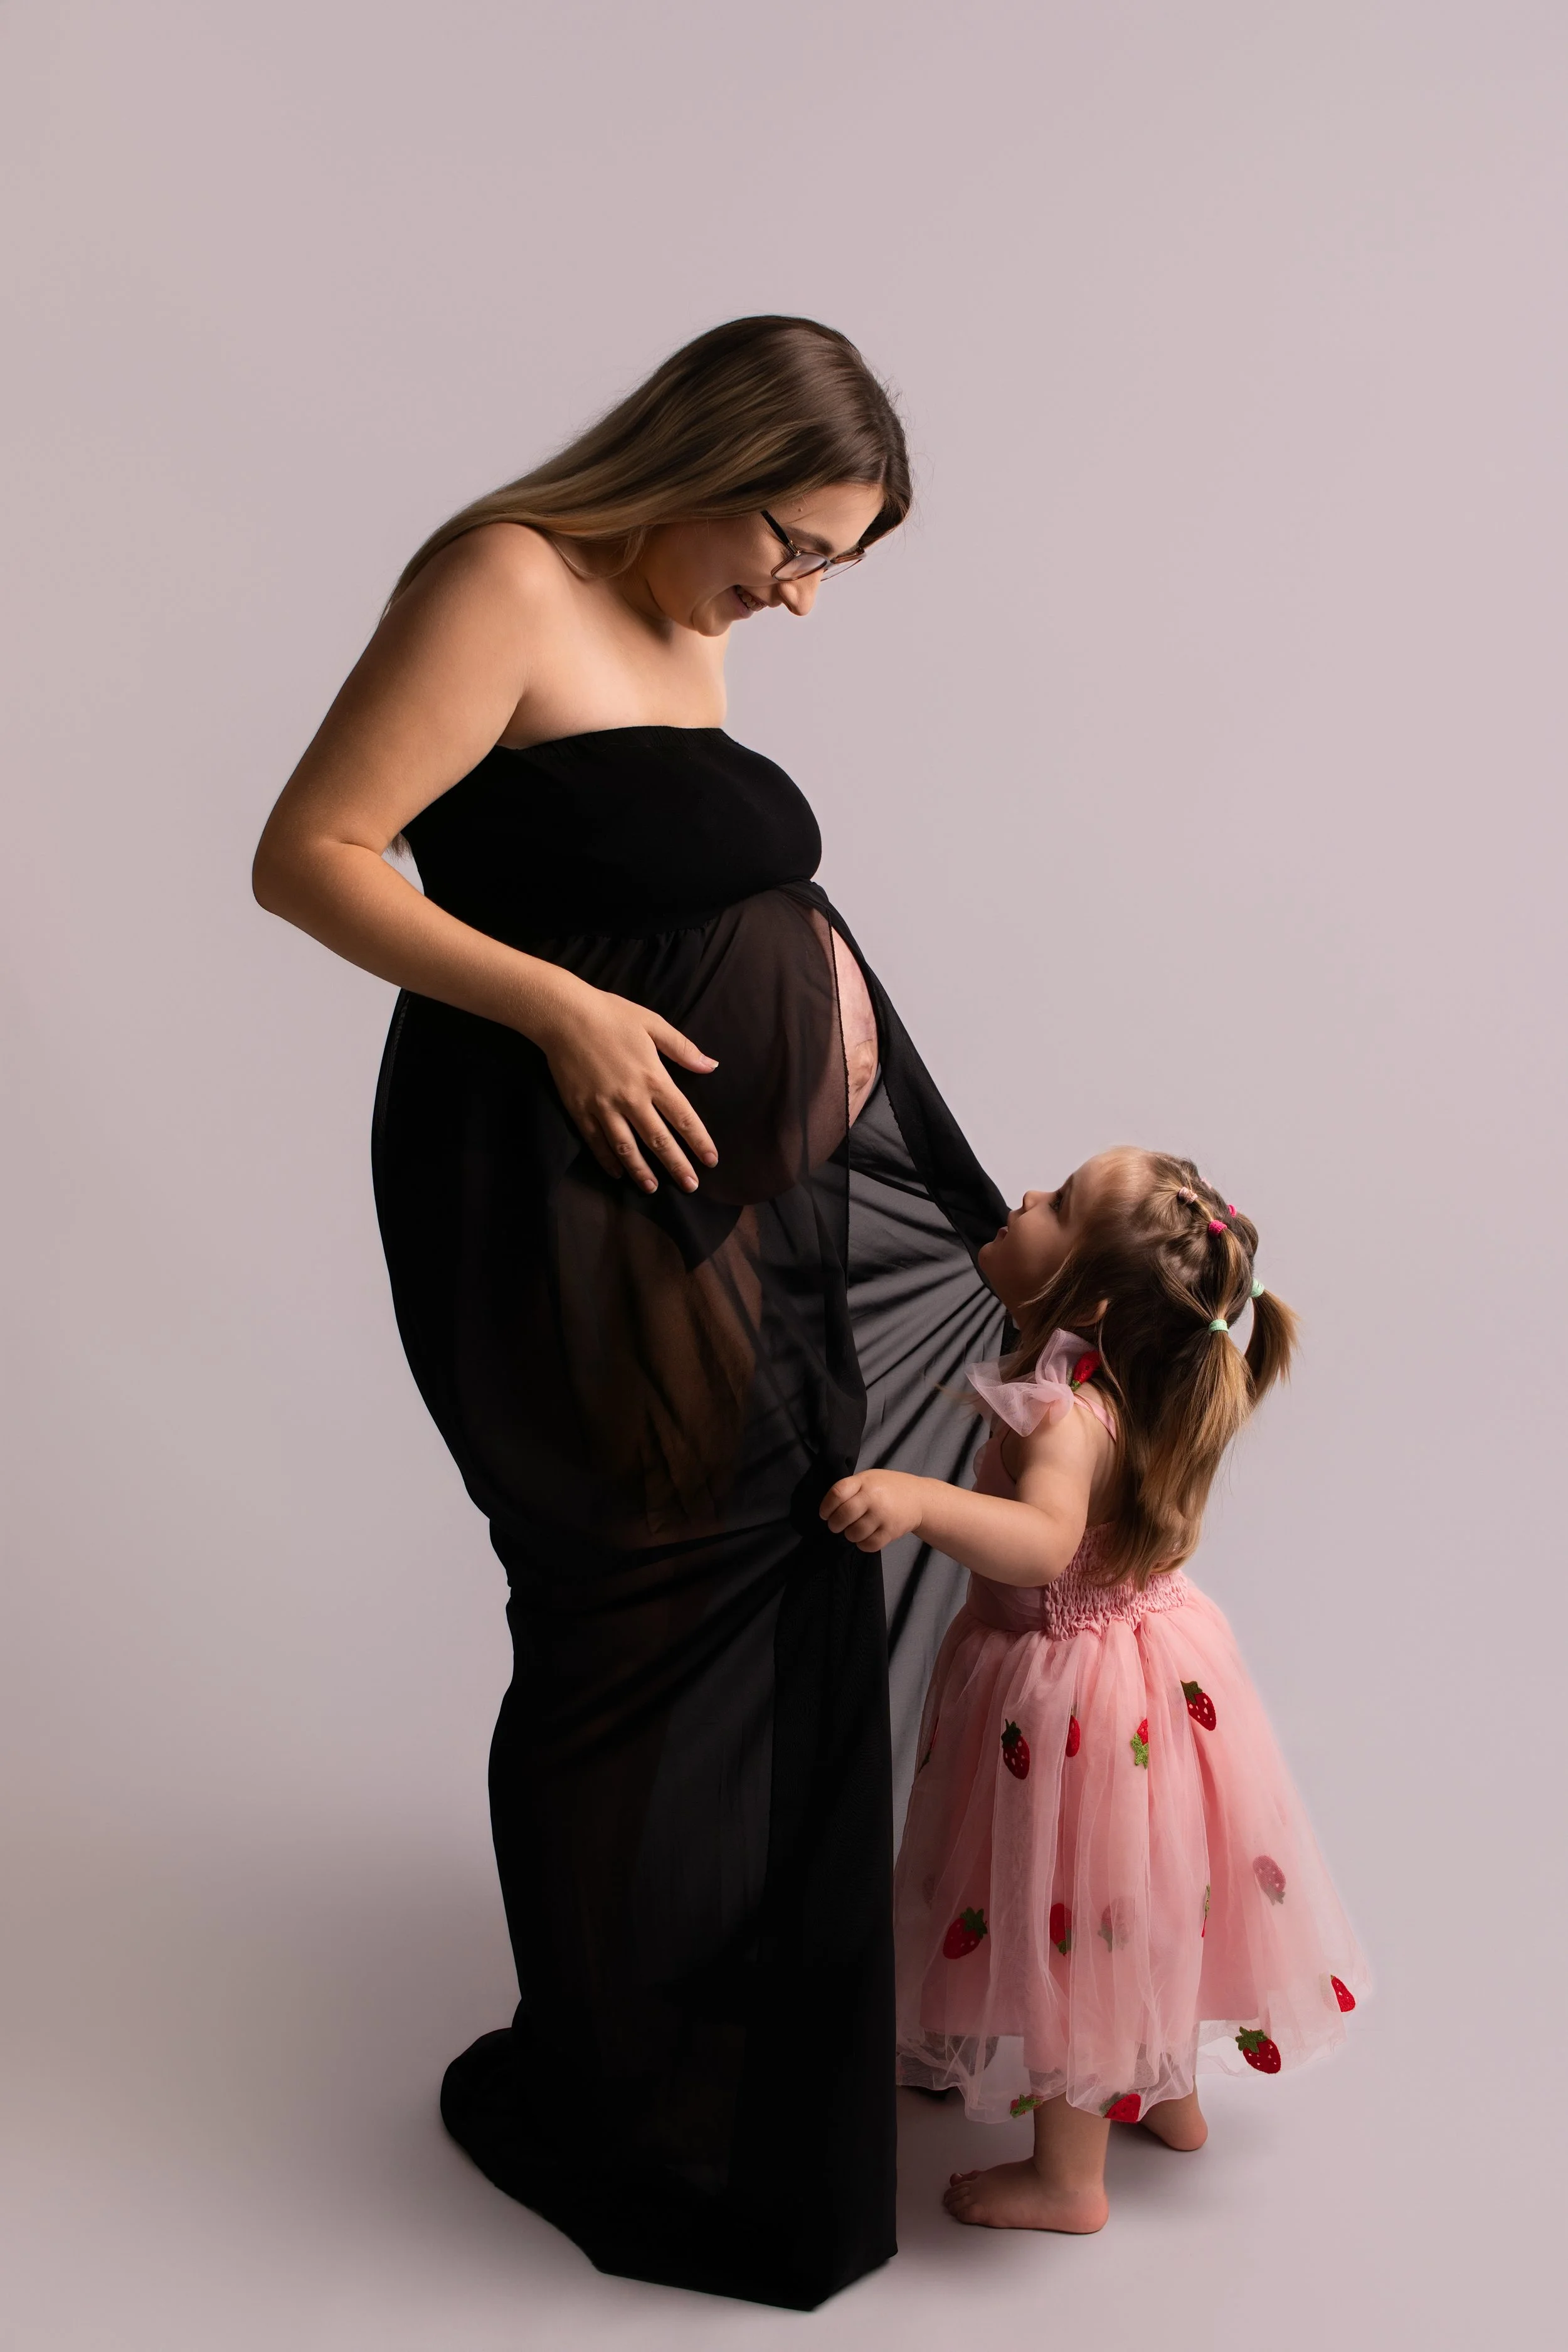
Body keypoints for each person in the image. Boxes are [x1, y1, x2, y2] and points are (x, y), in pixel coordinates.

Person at [252, 317, 1009, 2307]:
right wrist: (562, 1005)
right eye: (792, 538)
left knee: (764, 1570)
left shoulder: (694, 611)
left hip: (718, 1200)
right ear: (702, 457)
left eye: (835, 560)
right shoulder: (505, 575)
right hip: (549, 1188)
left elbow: (704, 901)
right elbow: (309, 857)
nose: (800, 590)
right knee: (626, 1607)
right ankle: (613, 2093)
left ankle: (733, 2049)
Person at [822, 1148, 1369, 2234]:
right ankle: (1170, 2094)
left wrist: (920, 1499)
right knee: (1151, 1899)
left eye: (1058, 1203)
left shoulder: (1065, 1413)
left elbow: (1041, 1541)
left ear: (1098, 1297)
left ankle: (1068, 2180)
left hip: (1070, 1705)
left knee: (1076, 1928)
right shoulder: (1119, 1383)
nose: (1023, 1199)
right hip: (1153, 1674)